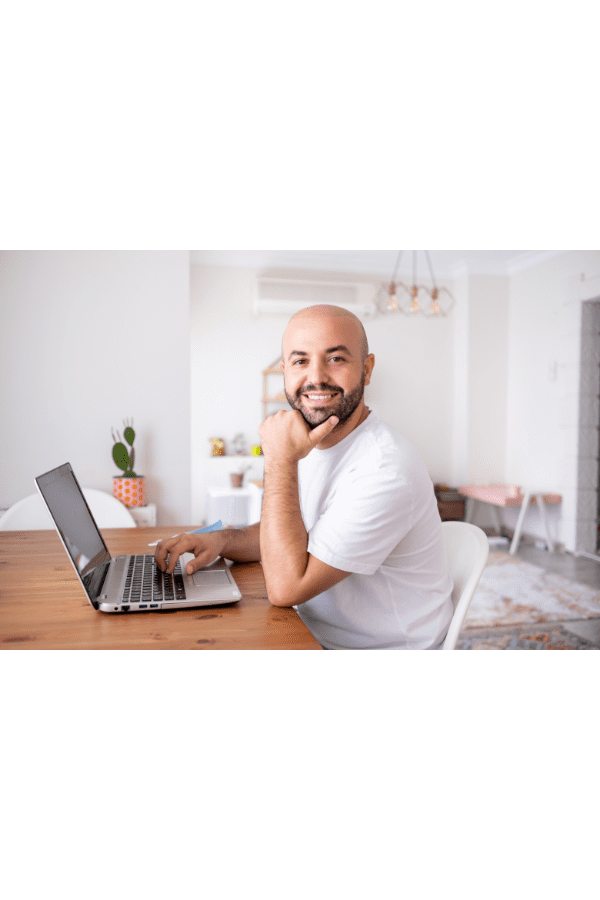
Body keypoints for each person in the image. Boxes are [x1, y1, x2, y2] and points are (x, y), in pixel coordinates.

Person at [155, 304, 453, 650]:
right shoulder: (316, 441)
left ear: (367, 369)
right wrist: (222, 540)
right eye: (300, 361)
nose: (316, 377)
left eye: (336, 359)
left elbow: (285, 588)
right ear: (285, 370)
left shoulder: (385, 469)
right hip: (311, 630)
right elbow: (295, 537)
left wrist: (280, 460)